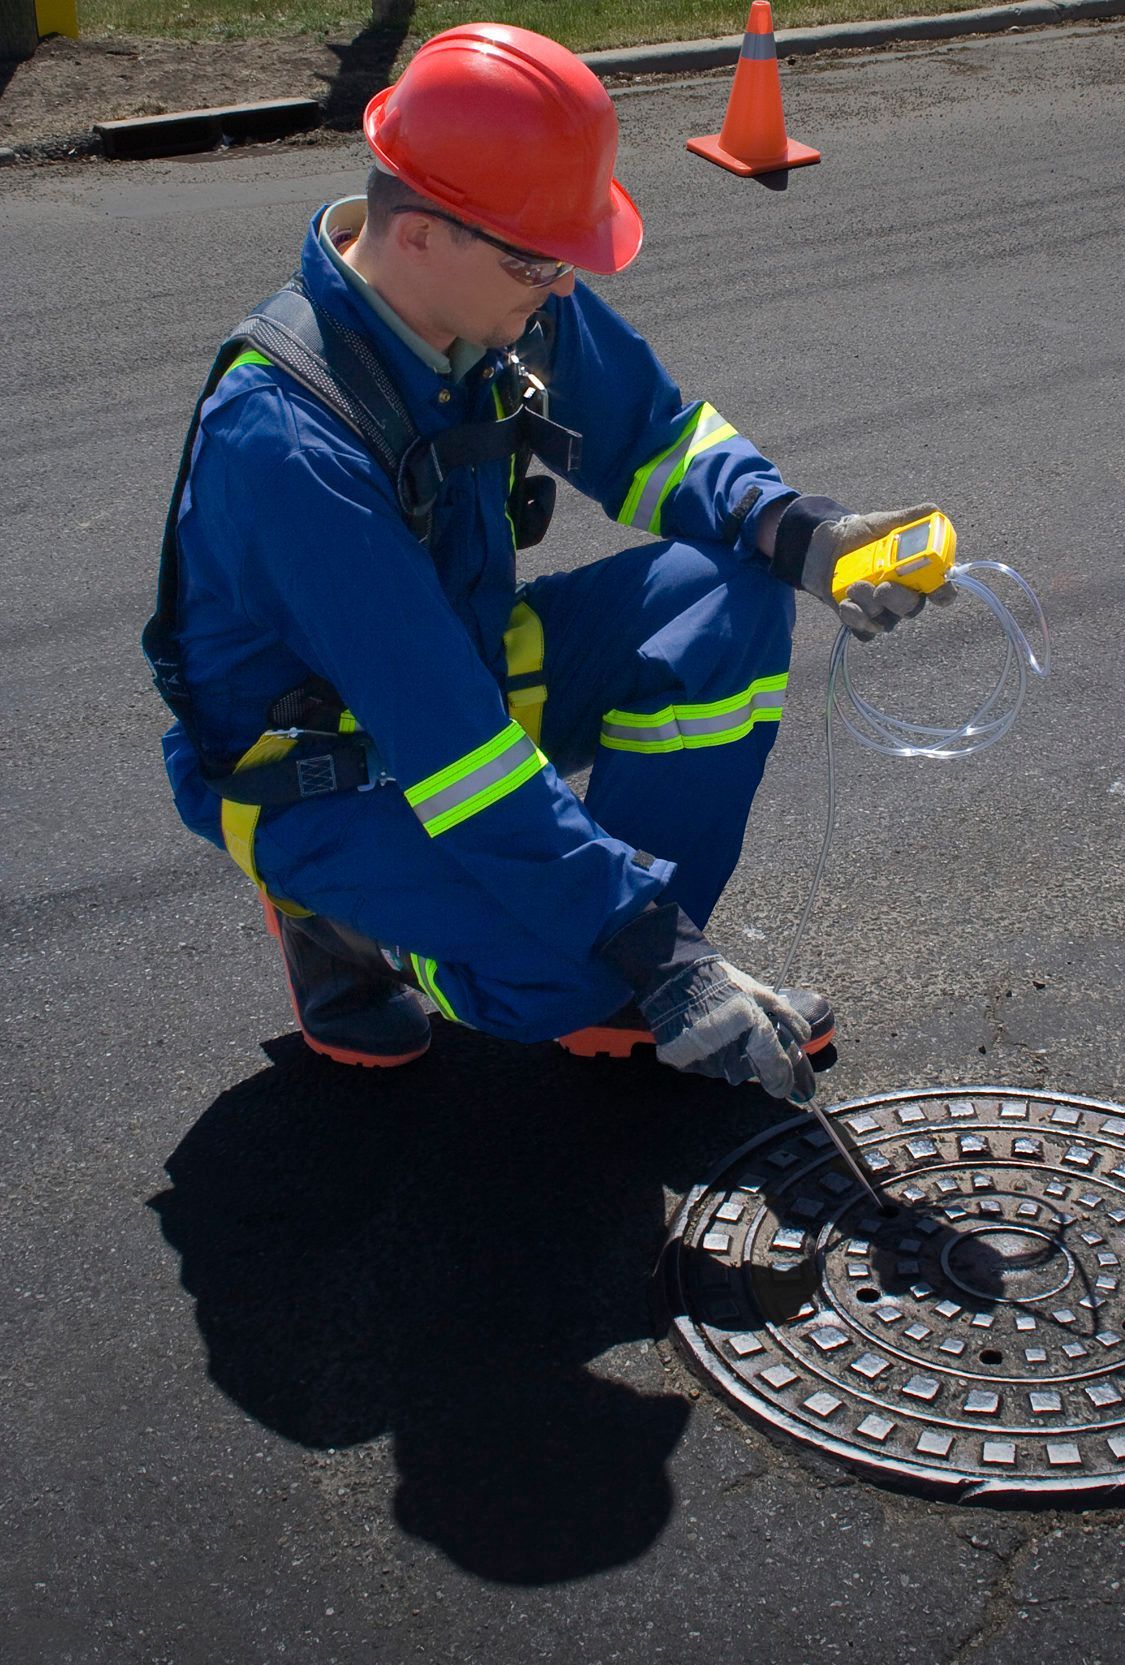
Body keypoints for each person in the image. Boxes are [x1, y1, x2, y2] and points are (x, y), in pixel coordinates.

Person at [146, 22, 950, 1102]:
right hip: (319, 768)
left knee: (726, 593)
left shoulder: (499, 297)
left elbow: (656, 438)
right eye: (543, 258)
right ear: (424, 233)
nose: (566, 286)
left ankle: (625, 959)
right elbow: (454, 751)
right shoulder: (288, 443)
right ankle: (348, 922)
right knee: (571, 963)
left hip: (456, 687)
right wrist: (653, 949)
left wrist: (797, 531)